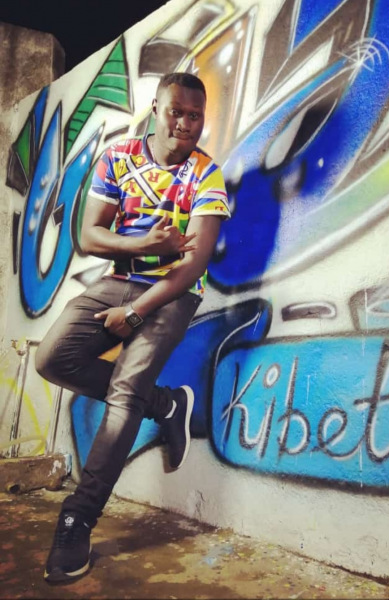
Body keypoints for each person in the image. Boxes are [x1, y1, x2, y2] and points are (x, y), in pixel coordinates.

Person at [35, 72, 230, 582]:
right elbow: (89, 235)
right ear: (156, 109)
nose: (185, 123)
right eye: (176, 112)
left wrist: (137, 312)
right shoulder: (119, 157)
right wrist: (144, 245)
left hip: (172, 294)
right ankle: (165, 404)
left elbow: (192, 265)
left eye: (195, 116)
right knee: (52, 359)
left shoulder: (206, 175)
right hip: (118, 281)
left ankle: (78, 518)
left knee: (125, 390)